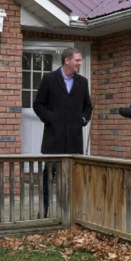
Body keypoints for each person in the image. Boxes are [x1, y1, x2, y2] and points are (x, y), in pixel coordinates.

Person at [33, 47, 93, 216]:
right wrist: (50, 118)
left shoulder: (82, 82)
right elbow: (38, 104)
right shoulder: (49, 79)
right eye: (78, 60)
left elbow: (88, 106)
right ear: (67, 61)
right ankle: (45, 211)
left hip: (74, 140)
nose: (80, 63)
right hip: (54, 139)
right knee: (49, 176)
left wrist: (82, 120)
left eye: (80, 60)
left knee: (71, 179)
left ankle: (69, 211)